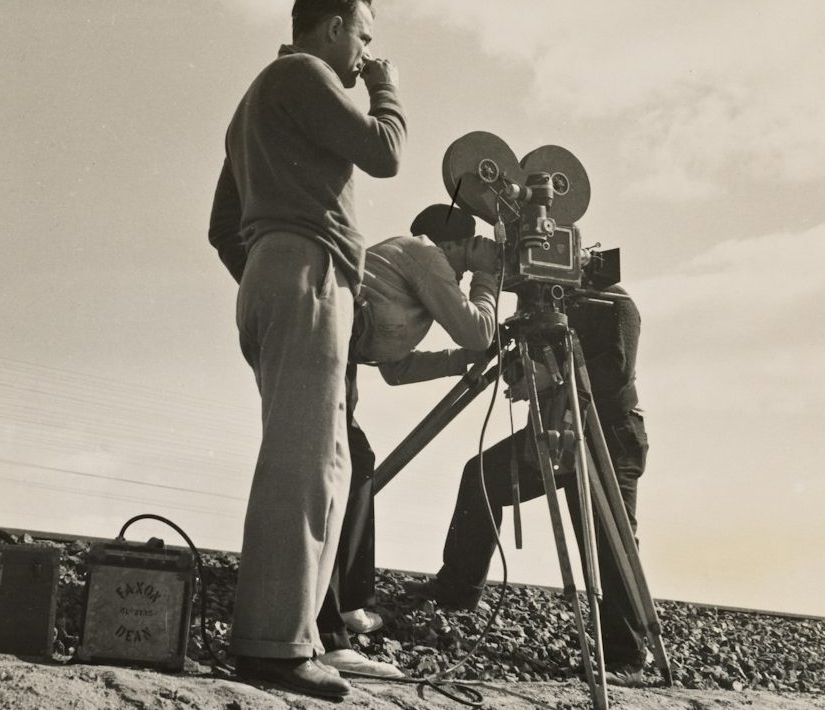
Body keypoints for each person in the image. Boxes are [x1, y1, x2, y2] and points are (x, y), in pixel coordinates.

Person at [206, 0, 406, 699]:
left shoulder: (254, 105)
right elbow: (385, 152)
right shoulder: (304, 75)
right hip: (307, 269)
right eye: (363, 36)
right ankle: (275, 645)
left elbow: (222, 225)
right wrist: (386, 87)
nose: (366, 52)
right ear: (334, 26)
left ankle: (294, 637)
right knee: (306, 466)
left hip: (278, 270)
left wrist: (270, 276)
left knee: (323, 464)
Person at [403, 268, 651, 687]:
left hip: (609, 434)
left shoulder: (615, 303)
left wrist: (553, 372)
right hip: (556, 427)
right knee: (483, 475)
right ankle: (458, 588)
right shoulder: (546, 305)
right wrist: (522, 367)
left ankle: (626, 656)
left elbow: (617, 370)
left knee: (609, 541)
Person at [311, 203, 499, 676]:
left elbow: (395, 369)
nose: (464, 269)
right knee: (336, 475)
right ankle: (327, 633)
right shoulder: (425, 254)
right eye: (466, 254)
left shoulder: (412, 274)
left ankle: (349, 603)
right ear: (451, 244)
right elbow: (479, 332)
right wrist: (489, 274)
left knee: (358, 462)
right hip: (318, 351)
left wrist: (458, 361)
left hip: (336, 357)